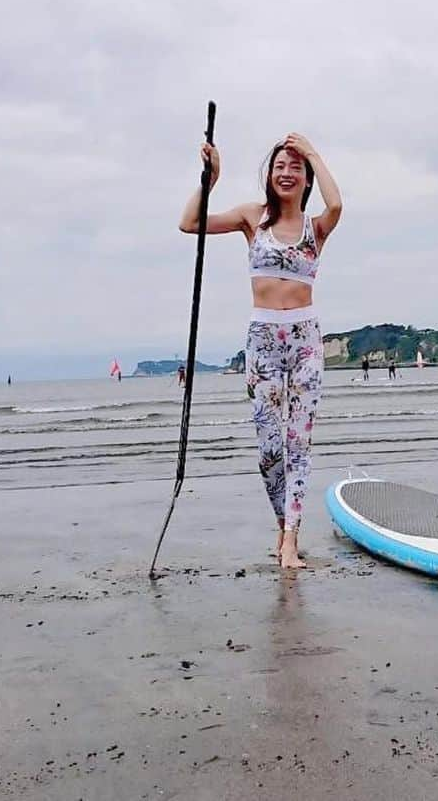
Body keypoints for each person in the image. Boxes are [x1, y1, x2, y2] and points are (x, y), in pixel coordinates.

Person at [179, 132, 342, 571]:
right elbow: (189, 224)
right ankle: (281, 522)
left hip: (305, 341)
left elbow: (337, 204)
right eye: (280, 166)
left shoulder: (316, 227)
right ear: (269, 176)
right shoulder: (254, 220)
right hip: (263, 341)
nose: (287, 173)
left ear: (307, 177)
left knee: (298, 444)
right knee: (270, 447)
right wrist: (210, 179)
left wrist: (312, 151)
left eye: (296, 168)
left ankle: (291, 538)